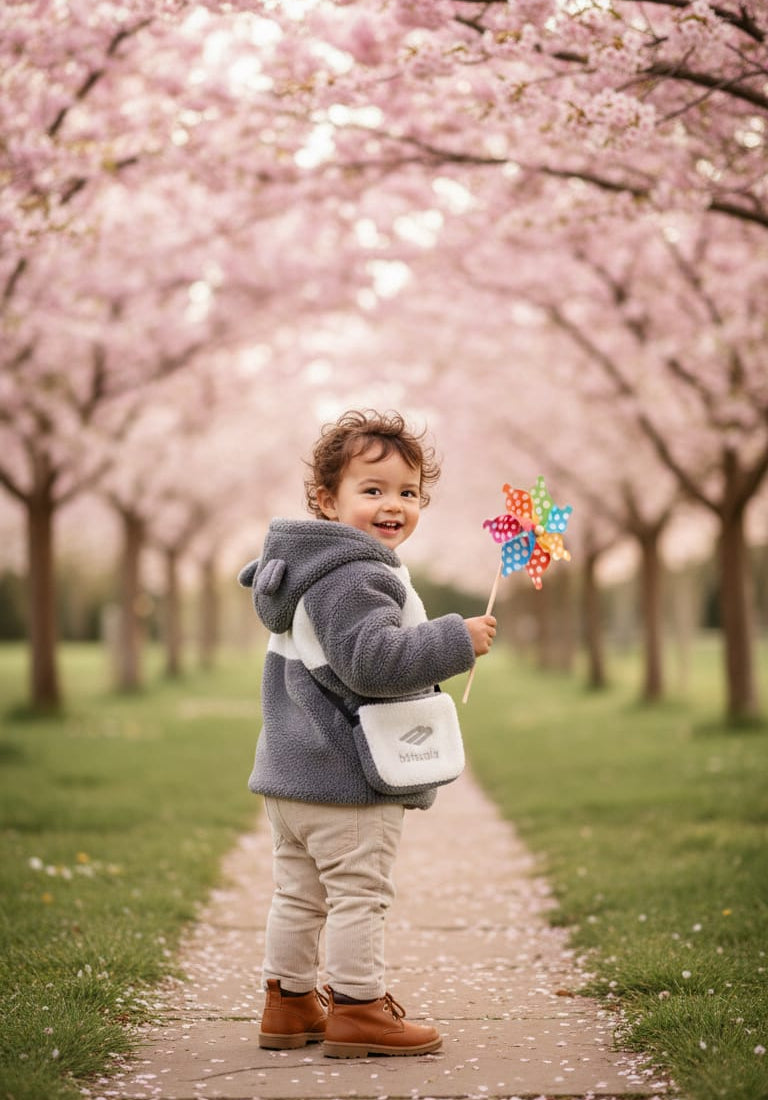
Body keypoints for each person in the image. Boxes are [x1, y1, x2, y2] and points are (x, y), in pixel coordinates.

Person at [238, 408, 496, 1058]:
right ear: (327, 500)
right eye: (372, 489)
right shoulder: (355, 573)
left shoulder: (308, 572)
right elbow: (372, 662)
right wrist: (452, 640)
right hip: (346, 777)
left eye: (408, 493)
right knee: (359, 894)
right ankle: (358, 1007)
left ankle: (290, 1002)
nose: (394, 505)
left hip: (293, 774)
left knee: (298, 894)